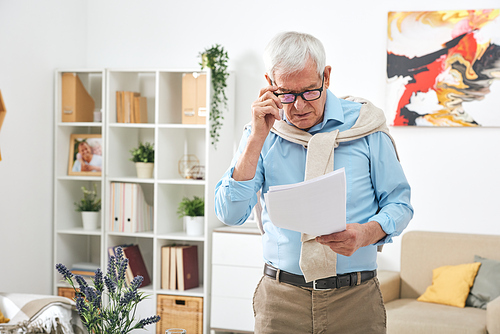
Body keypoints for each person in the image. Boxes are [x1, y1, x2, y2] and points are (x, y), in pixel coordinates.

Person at [214, 31, 413, 333]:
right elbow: (229, 213)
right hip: (281, 300)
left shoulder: (366, 127)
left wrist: (367, 233)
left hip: (355, 300)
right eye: (287, 94)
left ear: (326, 77)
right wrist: (256, 138)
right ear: (270, 84)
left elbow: (400, 204)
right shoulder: (261, 133)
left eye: (309, 91)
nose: (298, 106)